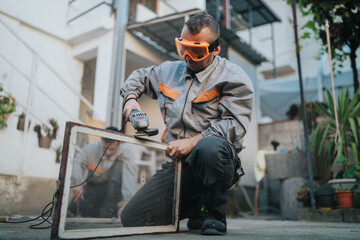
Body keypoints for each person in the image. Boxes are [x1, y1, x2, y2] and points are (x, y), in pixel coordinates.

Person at [120, 13, 253, 235]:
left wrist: (192, 142)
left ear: (215, 49)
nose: (188, 56)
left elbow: (233, 124)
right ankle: (197, 204)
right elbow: (137, 77)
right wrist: (131, 100)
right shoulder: (168, 71)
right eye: (183, 48)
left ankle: (214, 214)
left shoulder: (233, 77)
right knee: (132, 217)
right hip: (180, 166)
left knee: (208, 148)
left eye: (197, 50)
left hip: (215, 160)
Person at [69, 127, 139, 218]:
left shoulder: (126, 151)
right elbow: (77, 162)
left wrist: (127, 200)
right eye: (105, 148)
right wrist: (78, 183)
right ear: (101, 140)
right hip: (93, 186)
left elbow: (131, 174)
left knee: (104, 214)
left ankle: (109, 210)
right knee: (74, 207)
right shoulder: (90, 149)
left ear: (119, 143)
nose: (108, 152)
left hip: (112, 190)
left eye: (112, 149)